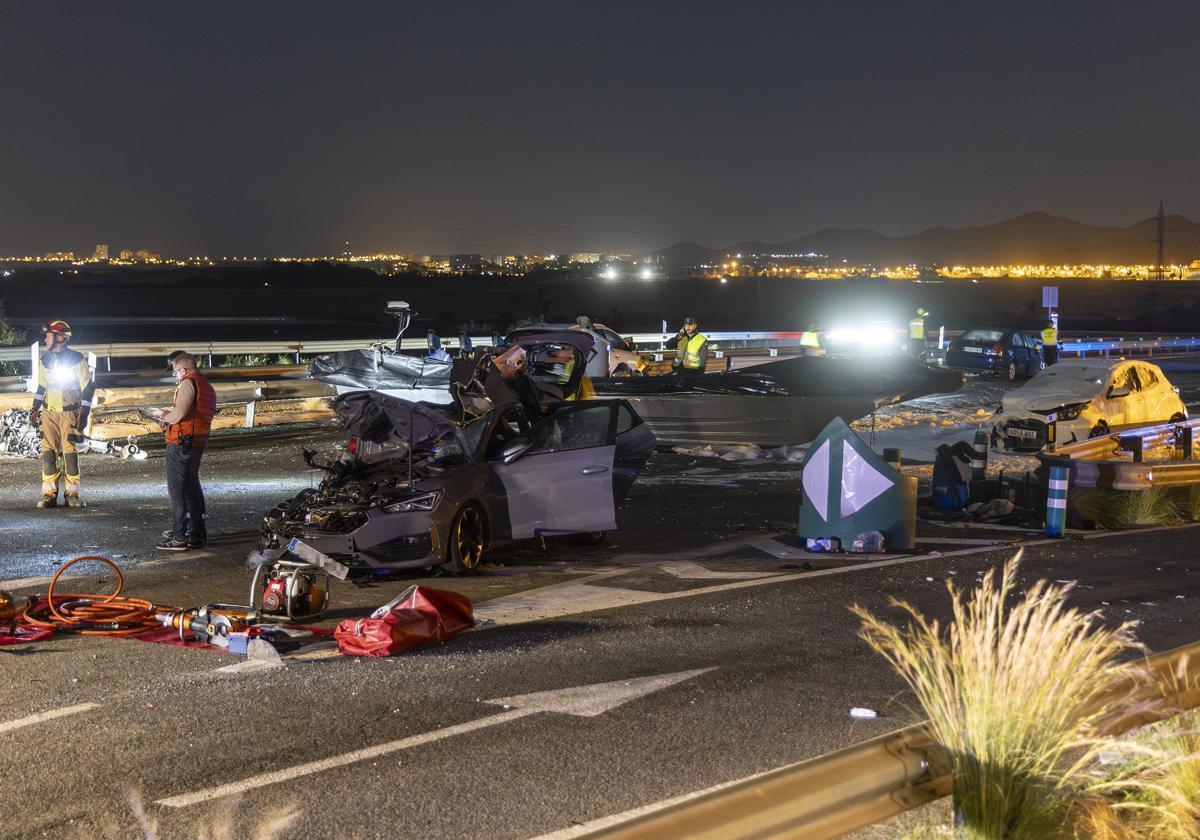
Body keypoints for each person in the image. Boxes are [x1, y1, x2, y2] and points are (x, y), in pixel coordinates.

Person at [150, 351, 217, 550]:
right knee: (192, 488)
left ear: (183, 369)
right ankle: (197, 534)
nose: (175, 376)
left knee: (177, 490)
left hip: (180, 443)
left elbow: (177, 415)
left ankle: (179, 537)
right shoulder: (207, 386)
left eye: (175, 372)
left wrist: (160, 415)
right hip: (196, 441)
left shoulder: (189, 383)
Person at [31, 319, 94, 508]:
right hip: (48, 413)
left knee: (70, 455)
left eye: (48, 335)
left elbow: (88, 387)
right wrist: (34, 409)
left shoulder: (76, 359)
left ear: (60, 337)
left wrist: (83, 415)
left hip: (70, 414)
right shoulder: (45, 359)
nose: (45, 339)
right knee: (48, 455)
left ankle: (72, 495)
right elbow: (42, 385)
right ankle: (49, 494)